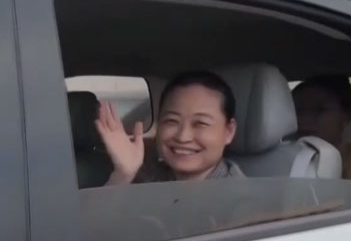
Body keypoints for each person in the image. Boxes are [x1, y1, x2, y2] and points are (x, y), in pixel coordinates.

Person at [97, 71, 245, 185]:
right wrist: (123, 175)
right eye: (172, 121)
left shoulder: (244, 202)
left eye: (200, 123)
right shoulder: (150, 177)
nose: (183, 137)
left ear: (229, 132)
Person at [292, 75, 351, 180]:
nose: (305, 119)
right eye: (298, 110)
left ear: (347, 116)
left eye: (320, 110)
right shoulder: (279, 160)